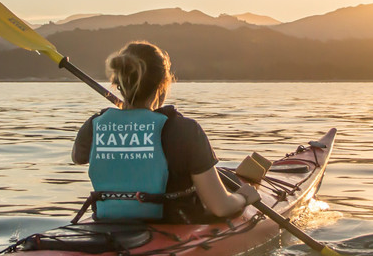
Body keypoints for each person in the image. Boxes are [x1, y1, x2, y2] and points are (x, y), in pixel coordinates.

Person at [72, 41, 259, 222]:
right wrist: (244, 196)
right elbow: (220, 207)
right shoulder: (185, 130)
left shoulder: (95, 125)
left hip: (109, 226)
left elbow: (77, 157)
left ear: (118, 83)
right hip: (175, 224)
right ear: (163, 83)